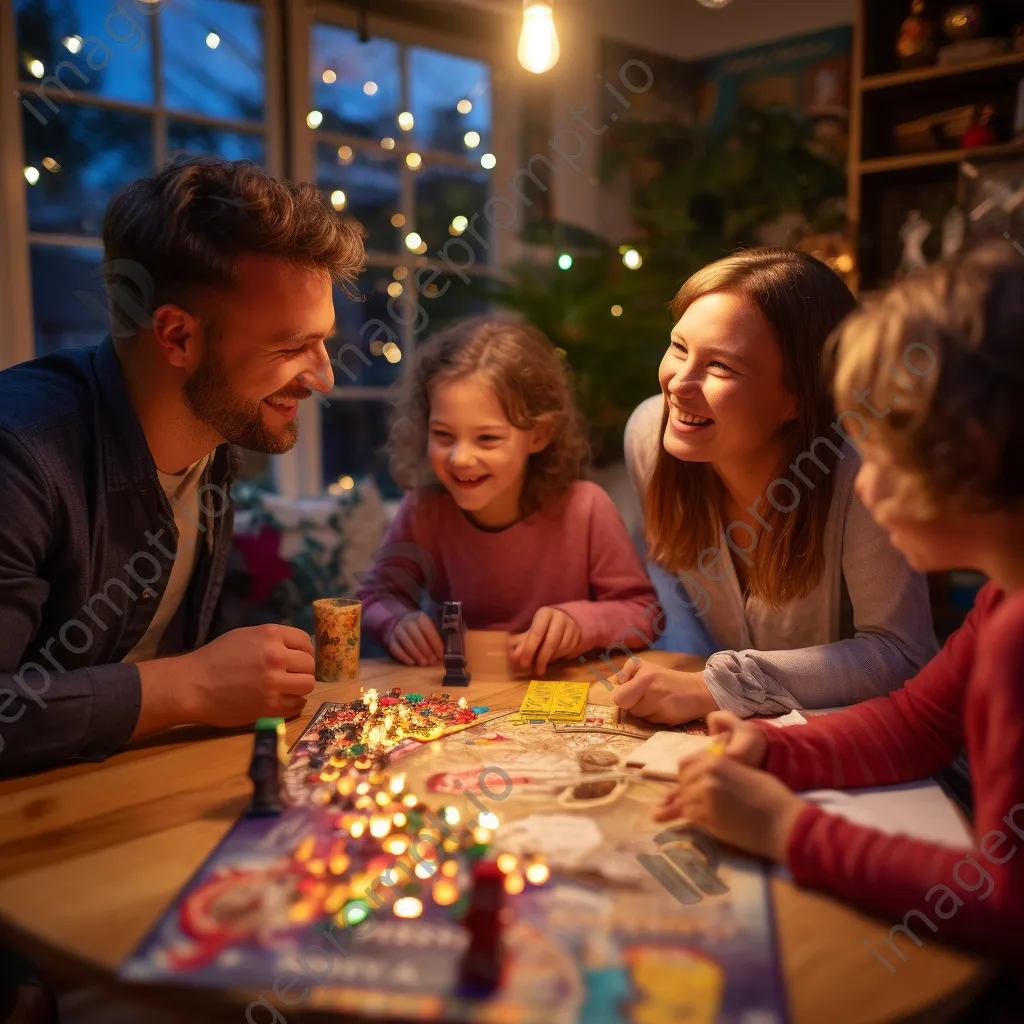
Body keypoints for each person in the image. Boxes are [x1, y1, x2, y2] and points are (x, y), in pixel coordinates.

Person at [655, 243, 1024, 965]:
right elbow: (919, 722)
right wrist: (773, 749)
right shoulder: (998, 601)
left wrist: (789, 830)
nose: (860, 482)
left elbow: (1008, 907)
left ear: (973, 453)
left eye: (883, 452)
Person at [0, 155, 364, 778]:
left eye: (323, 339)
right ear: (175, 337)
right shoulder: (21, 456)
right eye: (290, 347)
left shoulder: (219, 434)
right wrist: (187, 687)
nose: (326, 377)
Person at [615, 248, 937, 725]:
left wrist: (715, 688)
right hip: (721, 736)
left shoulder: (862, 472)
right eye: (679, 347)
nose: (678, 384)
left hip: (854, 746)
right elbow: (671, 580)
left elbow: (902, 654)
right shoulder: (650, 434)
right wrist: (683, 680)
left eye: (721, 366)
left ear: (799, 398)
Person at [356, 317, 659, 675]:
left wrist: (580, 623)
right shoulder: (426, 509)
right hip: (459, 703)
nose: (460, 458)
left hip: (565, 699)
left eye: (487, 438)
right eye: (443, 435)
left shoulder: (586, 508)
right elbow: (375, 596)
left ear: (539, 435)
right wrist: (397, 622)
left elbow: (645, 613)